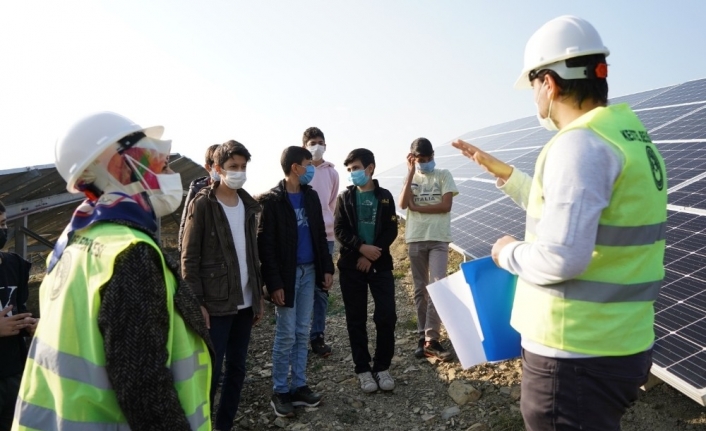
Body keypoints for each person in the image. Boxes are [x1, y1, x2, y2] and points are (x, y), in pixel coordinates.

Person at [452, 15, 667, 431]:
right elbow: (579, 207)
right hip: (620, 342)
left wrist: (506, 253)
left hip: (574, 356)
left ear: (549, 83)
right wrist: (507, 175)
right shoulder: (627, 136)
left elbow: (563, 257)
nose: (533, 98)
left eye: (533, 85)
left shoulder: (578, 145)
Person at [12, 112, 212, 431]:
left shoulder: (73, 243)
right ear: (121, 164)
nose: (170, 169)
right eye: (156, 157)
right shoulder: (130, 252)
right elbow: (145, 393)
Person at [181, 140, 263, 431]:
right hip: (215, 306)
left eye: (242, 167)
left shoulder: (248, 205)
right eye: (232, 167)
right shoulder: (203, 204)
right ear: (217, 169)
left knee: (237, 370)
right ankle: (201, 424)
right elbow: (189, 258)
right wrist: (197, 303)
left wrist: (257, 299)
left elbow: (251, 255)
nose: (239, 172)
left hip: (244, 303)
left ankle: (223, 426)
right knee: (211, 374)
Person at [257, 146, 334, 418]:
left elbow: (320, 237)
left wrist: (327, 268)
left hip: (310, 271)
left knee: (303, 331)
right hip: (287, 277)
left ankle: (299, 385)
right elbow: (266, 247)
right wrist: (274, 283)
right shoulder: (273, 201)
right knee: (286, 333)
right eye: (307, 164)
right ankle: (280, 390)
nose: (311, 168)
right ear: (295, 167)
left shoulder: (310, 197)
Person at [334, 149, 398, 393]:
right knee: (355, 318)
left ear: (370, 168)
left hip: (379, 264)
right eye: (349, 170)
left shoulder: (384, 196)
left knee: (386, 315)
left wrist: (373, 254)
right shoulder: (345, 198)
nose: (353, 174)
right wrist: (360, 248)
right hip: (352, 266)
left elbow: (391, 230)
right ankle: (363, 369)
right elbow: (339, 229)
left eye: (356, 168)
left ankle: (382, 367)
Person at [398, 137, 458, 361]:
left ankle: (432, 339)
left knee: (438, 285)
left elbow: (446, 205)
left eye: (427, 158)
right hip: (415, 238)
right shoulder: (411, 178)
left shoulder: (443, 175)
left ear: (433, 156)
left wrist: (418, 206)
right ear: (412, 158)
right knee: (420, 289)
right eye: (419, 159)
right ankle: (422, 338)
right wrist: (411, 173)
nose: (424, 162)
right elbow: (403, 204)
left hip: (438, 239)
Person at [302, 126, 339, 358]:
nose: (317, 146)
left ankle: (317, 335)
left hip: (326, 237)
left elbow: (332, 203)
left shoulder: (332, 173)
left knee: (322, 289)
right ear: (305, 145)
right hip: (303, 235)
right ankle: (298, 335)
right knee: (302, 285)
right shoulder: (301, 171)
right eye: (313, 142)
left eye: (320, 141)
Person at [0, 201, 37, 431]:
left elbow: (18, 307)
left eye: (2, 224)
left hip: (13, 372)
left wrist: (30, 324)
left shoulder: (14, 265)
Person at [178, 143, 220, 253]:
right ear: (208, 167)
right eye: (217, 165)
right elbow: (185, 224)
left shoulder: (236, 192)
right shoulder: (197, 190)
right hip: (204, 255)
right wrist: (183, 252)